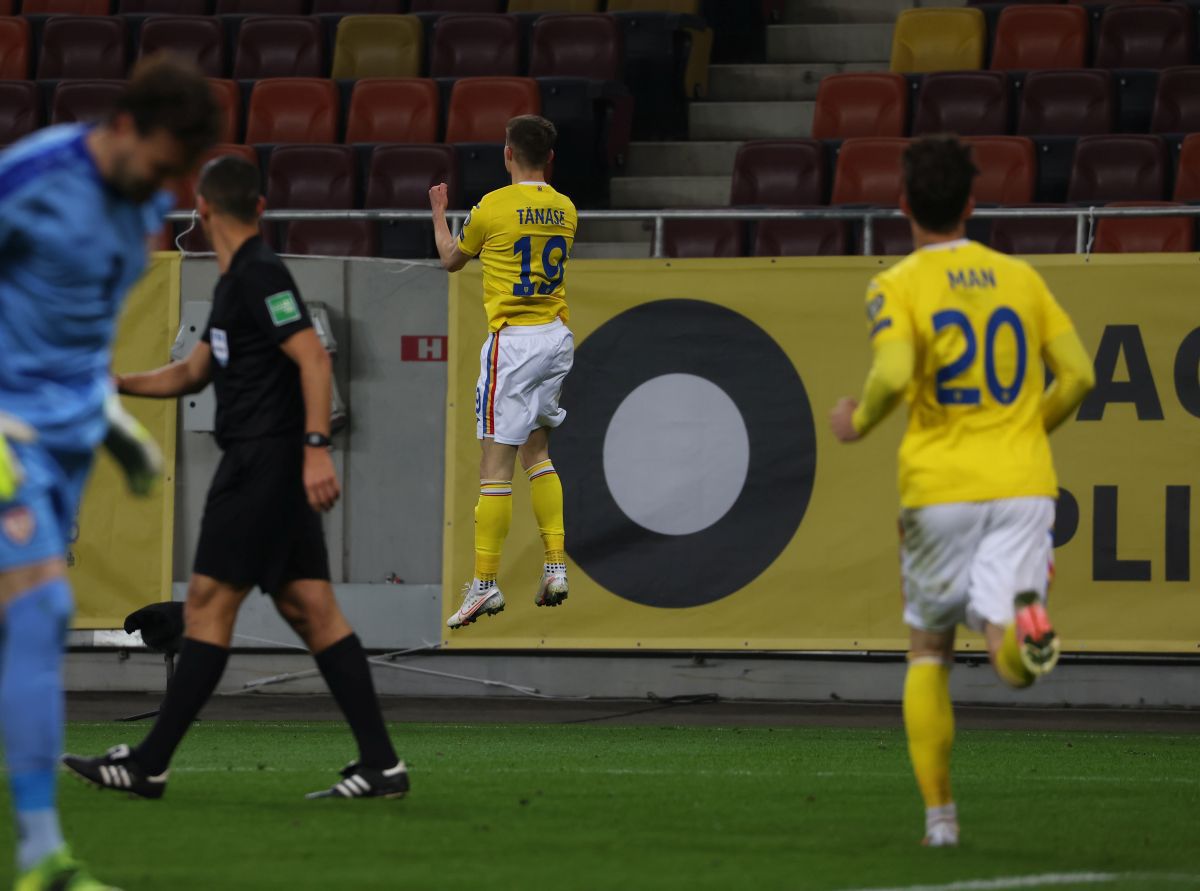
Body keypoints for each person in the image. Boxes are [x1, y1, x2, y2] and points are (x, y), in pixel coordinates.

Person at [62, 156, 408, 802]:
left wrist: (315, 448)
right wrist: (114, 383)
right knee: (313, 612)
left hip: (262, 465)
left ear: (203, 210)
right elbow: (191, 372)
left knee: (206, 608)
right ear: (260, 206)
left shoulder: (259, 272)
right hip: (266, 466)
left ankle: (149, 763)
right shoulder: (232, 282)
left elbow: (313, 358)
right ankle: (382, 764)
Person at [829, 135, 1095, 848]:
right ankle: (1024, 643)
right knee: (1008, 650)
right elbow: (1079, 376)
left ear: (903, 204)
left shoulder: (897, 284)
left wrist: (858, 420)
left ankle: (941, 821)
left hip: (940, 486)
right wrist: (1026, 429)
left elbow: (892, 374)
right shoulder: (1021, 278)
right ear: (972, 204)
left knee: (928, 648)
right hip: (1022, 481)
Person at [0, 56, 222, 891]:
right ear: (124, 126)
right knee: (41, 607)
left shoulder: (140, 207)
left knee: (21, 624)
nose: (165, 189)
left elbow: (80, 334)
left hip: (64, 441)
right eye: (161, 165)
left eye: (178, 175)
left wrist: (112, 425)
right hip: (8, 433)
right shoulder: (32, 178)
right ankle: (42, 858)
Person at [429, 115, 578, 630]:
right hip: (555, 337)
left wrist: (439, 214)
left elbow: (452, 260)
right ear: (550, 158)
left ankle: (485, 584)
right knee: (537, 453)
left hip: (513, 344)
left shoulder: (492, 207)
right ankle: (555, 566)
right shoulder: (566, 209)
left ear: (507, 153)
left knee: (494, 466)